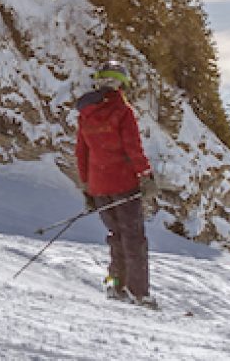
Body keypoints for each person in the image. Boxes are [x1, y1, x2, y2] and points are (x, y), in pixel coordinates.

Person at [74, 59, 155, 308]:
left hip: (99, 186)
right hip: (124, 183)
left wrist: (87, 185)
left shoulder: (86, 114)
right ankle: (137, 292)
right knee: (133, 237)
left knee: (116, 235)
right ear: (121, 83)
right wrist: (145, 175)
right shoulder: (123, 111)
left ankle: (117, 285)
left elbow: (82, 153)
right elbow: (132, 148)